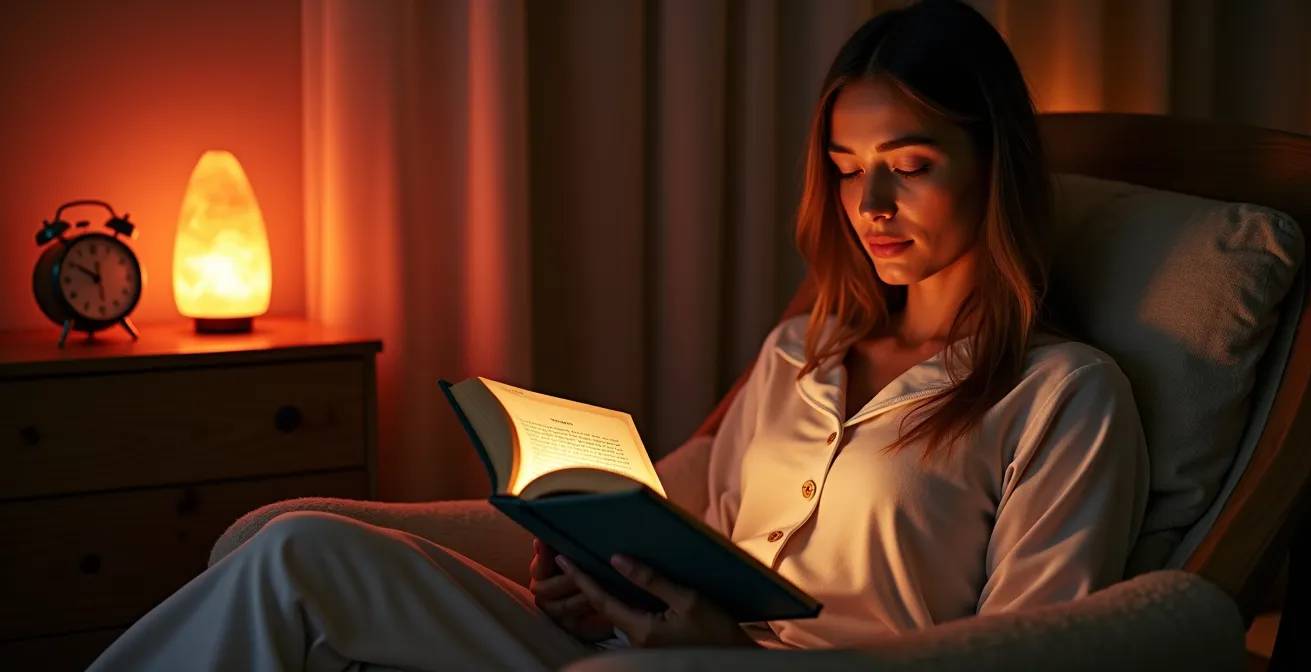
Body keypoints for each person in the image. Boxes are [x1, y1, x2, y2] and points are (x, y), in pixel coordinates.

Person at [88, 0, 1149, 669]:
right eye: (842, 167)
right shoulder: (801, 356)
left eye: (908, 164)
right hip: (656, 647)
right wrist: (602, 581)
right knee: (298, 553)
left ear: (993, 164)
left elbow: (1031, 652)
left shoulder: (1061, 398)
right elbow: (724, 534)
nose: (867, 201)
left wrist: (716, 652)